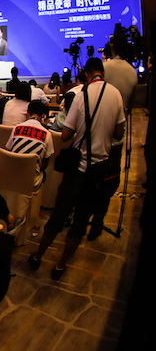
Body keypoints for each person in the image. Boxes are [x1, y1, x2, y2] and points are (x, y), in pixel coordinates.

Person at [29, 58, 125, 277]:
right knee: (80, 224)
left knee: (58, 218)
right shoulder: (116, 94)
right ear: (102, 73)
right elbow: (119, 133)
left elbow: (65, 135)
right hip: (98, 172)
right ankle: (61, 266)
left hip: (77, 170)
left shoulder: (81, 95)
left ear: (87, 74)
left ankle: (38, 256)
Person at [5, 100, 55, 189]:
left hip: (11, 177)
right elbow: (45, 164)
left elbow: (9, 152)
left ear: (27, 113)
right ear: (42, 116)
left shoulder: (17, 128)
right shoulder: (47, 134)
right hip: (32, 182)